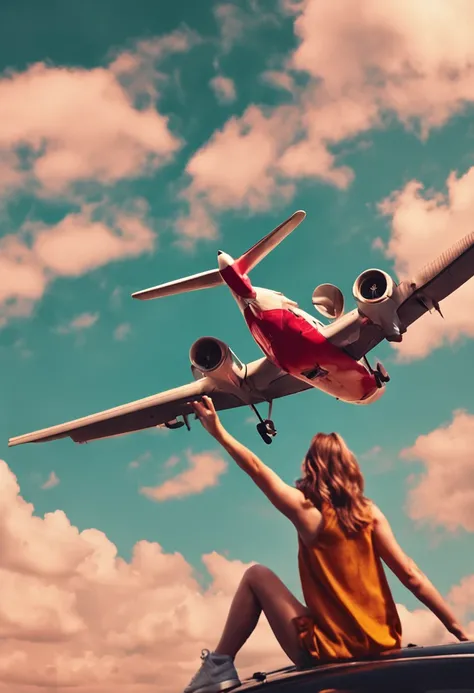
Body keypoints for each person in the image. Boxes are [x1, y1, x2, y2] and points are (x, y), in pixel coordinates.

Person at [183, 396, 470, 693]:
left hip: (329, 650)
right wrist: (458, 631)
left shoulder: (307, 513)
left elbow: (256, 468)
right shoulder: (370, 514)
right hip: (382, 643)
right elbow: (412, 575)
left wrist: (218, 431)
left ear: (312, 468)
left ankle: (218, 665)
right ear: (349, 468)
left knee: (256, 575)